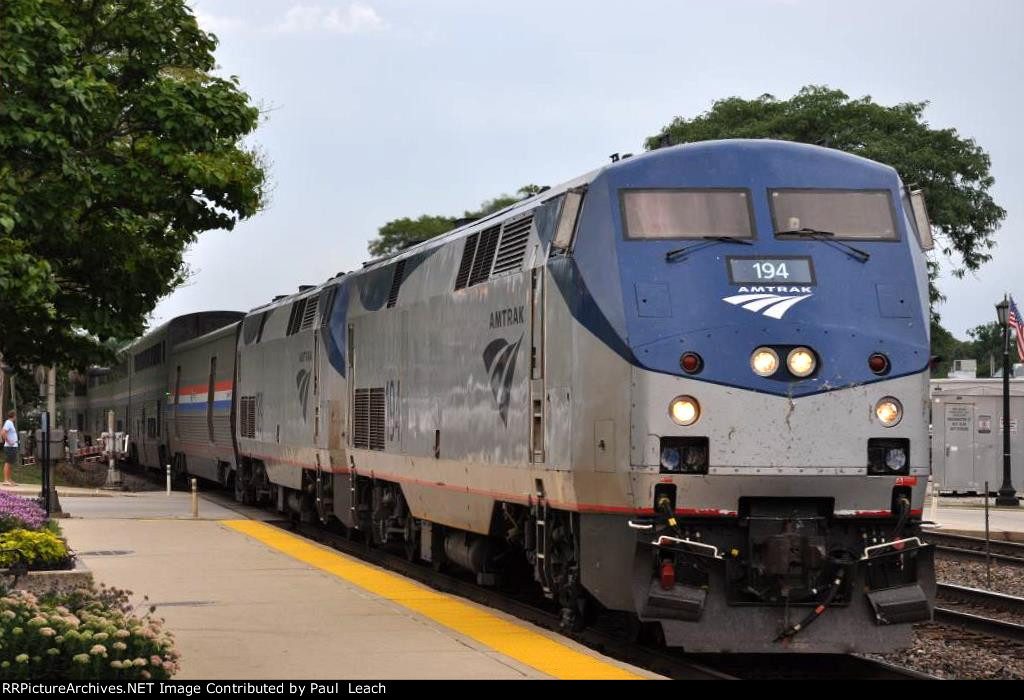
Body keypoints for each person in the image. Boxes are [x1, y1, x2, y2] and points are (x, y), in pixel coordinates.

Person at [2, 409, 18, 486]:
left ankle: (9, 479)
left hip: (13, 446)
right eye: (15, 415)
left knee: (10, 463)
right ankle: (5, 480)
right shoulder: (8, 422)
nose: (16, 417)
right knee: (7, 463)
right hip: (9, 447)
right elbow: (3, 432)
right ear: (13, 416)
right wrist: (9, 442)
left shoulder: (10, 423)